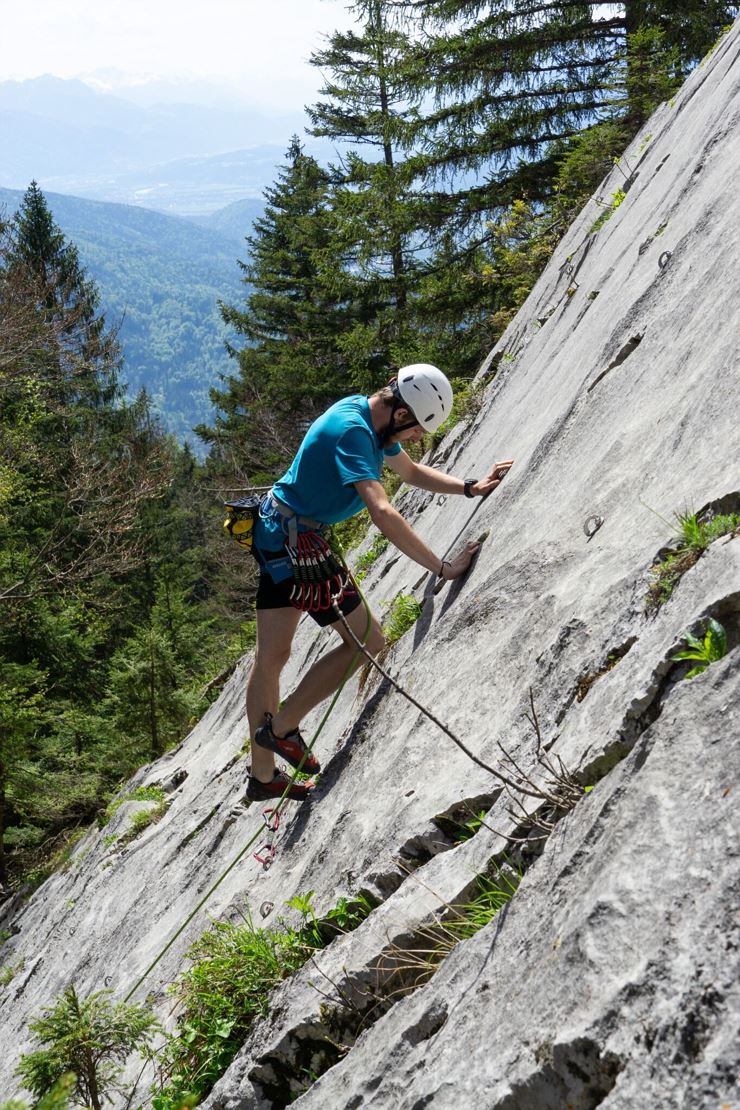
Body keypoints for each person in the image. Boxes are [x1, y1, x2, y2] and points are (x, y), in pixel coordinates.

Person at [245, 364, 513, 802]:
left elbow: (409, 473)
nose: (414, 439)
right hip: (297, 545)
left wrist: (469, 487)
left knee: (271, 656)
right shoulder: (354, 433)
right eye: (415, 430)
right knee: (367, 641)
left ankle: (263, 776)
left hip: (278, 532)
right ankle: (280, 729)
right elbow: (383, 512)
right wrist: (441, 567)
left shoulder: (368, 416)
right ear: (402, 413)